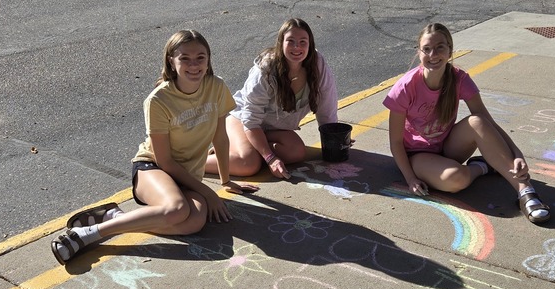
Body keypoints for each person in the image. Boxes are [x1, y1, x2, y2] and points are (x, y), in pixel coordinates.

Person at [51, 30, 257, 264]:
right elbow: (165, 161)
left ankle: (115, 216)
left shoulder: (216, 87)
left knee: (195, 222)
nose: (194, 65)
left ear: (209, 59)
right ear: (171, 60)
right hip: (153, 168)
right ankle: (88, 234)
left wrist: (225, 180)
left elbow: (220, 138)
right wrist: (207, 191)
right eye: (185, 58)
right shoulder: (158, 100)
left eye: (200, 57)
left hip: (186, 177)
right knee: (177, 210)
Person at [383, 22, 550, 224]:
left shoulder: (459, 78)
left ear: (450, 51)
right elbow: (396, 142)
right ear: (419, 52)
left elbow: (486, 121)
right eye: (426, 49)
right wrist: (410, 178)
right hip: (416, 156)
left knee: (477, 122)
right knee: (457, 179)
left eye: (440, 47)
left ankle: (526, 191)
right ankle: (482, 167)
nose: (433, 54)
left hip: (447, 147)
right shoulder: (405, 87)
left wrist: (516, 153)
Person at [205, 18, 339, 180]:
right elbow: (251, 119)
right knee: (249, 164)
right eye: (290, 41)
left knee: (296, 152)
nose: (297, 47)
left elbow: (326, 106)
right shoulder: (266, 70)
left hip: (271, 128)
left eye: (303, 42)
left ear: (310, 44)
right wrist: (270, 158)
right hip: (242, 120)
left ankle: (240, 148)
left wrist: (334, 137)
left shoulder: (317, 65)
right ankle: (188, 164)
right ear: (280, 43)